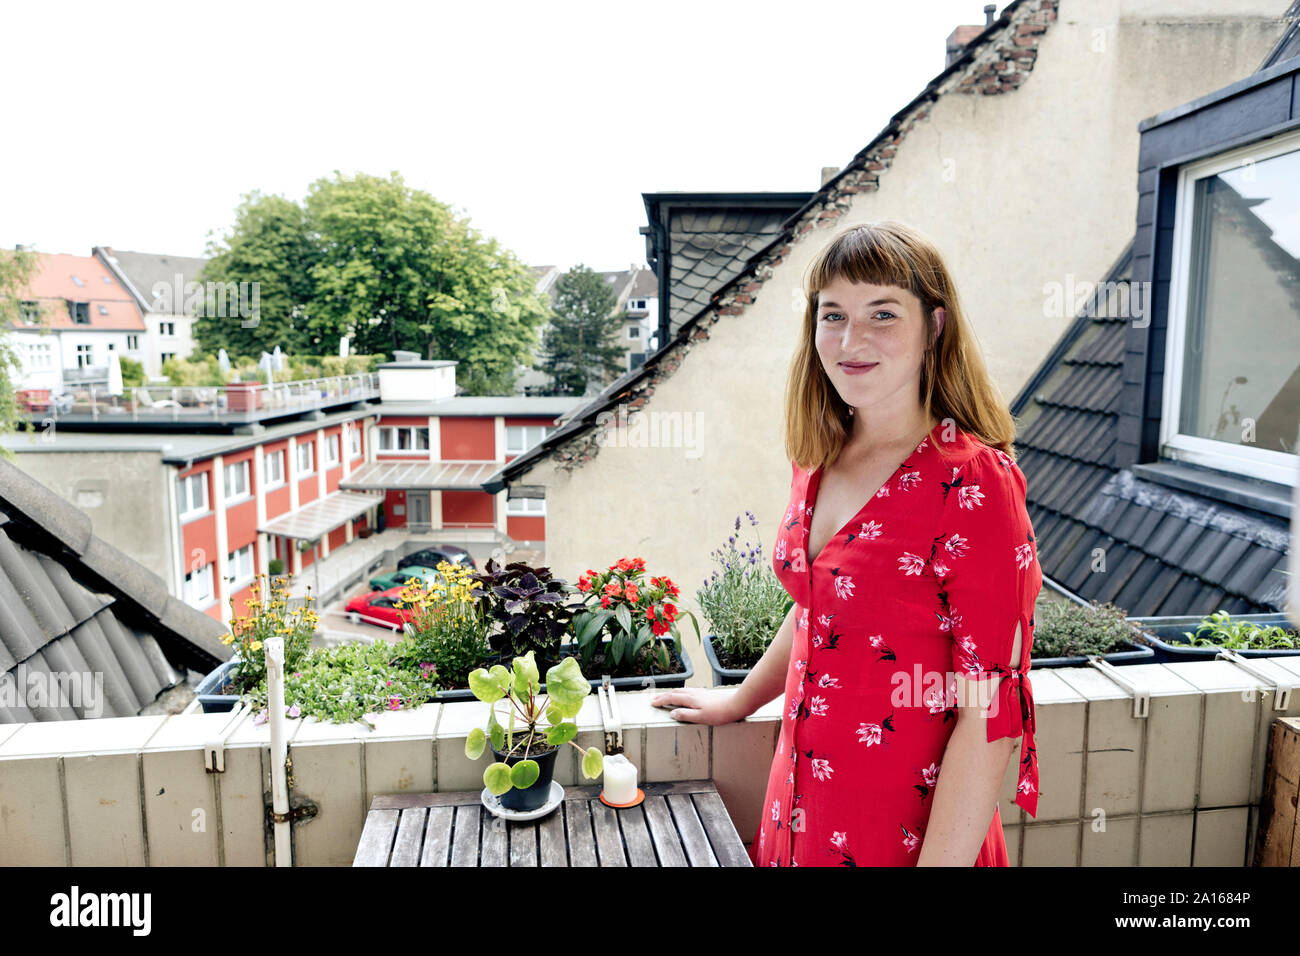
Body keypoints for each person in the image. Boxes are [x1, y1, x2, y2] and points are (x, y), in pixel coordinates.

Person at [652, 220, 1042, 866]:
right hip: (801, 814)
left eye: (882, 314)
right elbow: (819, 606)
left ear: (934, 328)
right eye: (833, 315)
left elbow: (990, 707)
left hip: (908, 835)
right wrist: (742, 699)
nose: (851, 340)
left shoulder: (971, 481)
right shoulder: (822, 454)